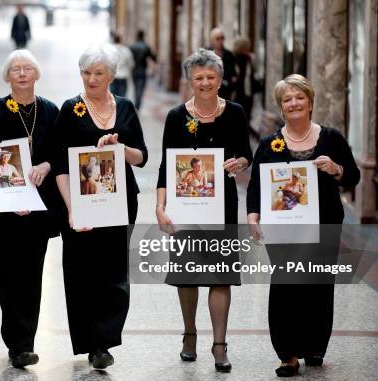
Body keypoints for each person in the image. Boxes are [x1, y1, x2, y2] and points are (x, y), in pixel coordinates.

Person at [246, 74, 360, 377]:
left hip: (324, 224)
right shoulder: (271, 144)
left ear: (310, 101)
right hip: (282, 227)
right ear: (281, 107)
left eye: (299, 97)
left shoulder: (331, 138)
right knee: (285, 285)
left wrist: (335, 169)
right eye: (287, 99)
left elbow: (353, 177)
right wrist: (253, 216)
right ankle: (287, 354)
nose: (293, 103)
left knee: (319, 285)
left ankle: (314, 346)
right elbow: (257, 184)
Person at [155, 48, 253, 373]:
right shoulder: (175, 117)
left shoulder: (236, 112)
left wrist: (239, 162)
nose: (205, 82)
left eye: (211, 77)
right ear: (189, 81)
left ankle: (220, 344)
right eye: (199, 77)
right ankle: (189, 334)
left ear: (220, 79)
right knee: (187, 275)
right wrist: (160, 207)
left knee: (221, 274)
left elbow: (245, 155)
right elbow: (166, 167)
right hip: (186, 209)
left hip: (222, 205)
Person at [52, 43, 148, 369]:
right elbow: (61, 165)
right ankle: (89, 339)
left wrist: (121, 148)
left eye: (98, 73)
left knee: (114, 271)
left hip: (120, 201)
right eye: (86, 73)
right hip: (81, 203)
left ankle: (103, 343)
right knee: (82, 272)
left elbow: (142, 156)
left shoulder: (125, 108)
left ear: (111, 76)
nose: (91, 79)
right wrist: (70, 208)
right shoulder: (70, 109)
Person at [0, 49, 64, 368]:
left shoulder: (50, 111)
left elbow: (61, 152)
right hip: (4, 211)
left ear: (36, 75)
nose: (21, 73)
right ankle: (13, 339)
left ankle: (25, 343)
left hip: (40, 211)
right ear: (7, 76)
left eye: (27, 68)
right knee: (9, 276)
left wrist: (45, 163)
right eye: (15, 69)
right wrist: (12, 201)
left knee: (32, 276)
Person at [231, 37, 257, 126]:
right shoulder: (233, 58)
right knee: (240, 113)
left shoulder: (250, 58)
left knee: (245, 113)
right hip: (239, 91)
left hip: (246, 90)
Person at [129, 30, 157, 109]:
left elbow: (129, 59)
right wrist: (154, 52)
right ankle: (137, 104)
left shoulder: (132, 46)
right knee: (140, 88)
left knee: (136, 88)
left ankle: (136, 103)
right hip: (142, 70)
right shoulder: (146, 47)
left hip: (134, 71)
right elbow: (154, 59)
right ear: (143, 36)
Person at [206, 28, 236, 100]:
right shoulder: (205, 54)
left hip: (225, 91)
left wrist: (230, 85)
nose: (220, 41)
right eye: (217, 39)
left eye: (222, 38)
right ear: (212, 40)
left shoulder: (229, 55)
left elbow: (233, 74)